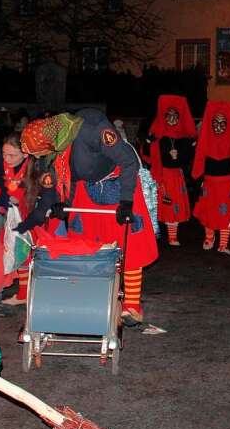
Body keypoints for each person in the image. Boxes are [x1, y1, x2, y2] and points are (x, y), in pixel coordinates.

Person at [16, 109, 159, 325]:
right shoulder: (58, 147)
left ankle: (131, 305)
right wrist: (63, 204)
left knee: (130, 245)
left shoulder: (92, 131)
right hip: (87, 189)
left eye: (37, 153)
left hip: (119, 183)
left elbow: (129, 160)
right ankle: (95, 301)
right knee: (87, 244)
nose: (37, 158)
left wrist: (127, 201)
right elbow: (68, 178)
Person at [0, 133, 38, 307]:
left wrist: (22, 200)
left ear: (25, 154)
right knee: (3, 251)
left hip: (27, 213)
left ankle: (25, 292)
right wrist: (2, 202)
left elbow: (41, 191)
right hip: (3, 211)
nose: (7, 159)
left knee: (24, 251)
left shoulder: (35, 164)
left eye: (12, 155)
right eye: (4, 153)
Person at [191, 100, 230, 255]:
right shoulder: (206, 140)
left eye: (223, 123)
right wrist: (198, 182)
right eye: (216, 123)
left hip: (227, 183)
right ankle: (209, 237)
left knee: (226, 214)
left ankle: (223, 243)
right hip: (209, 183)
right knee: (208, 212)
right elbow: (199, 161)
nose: (219, 127)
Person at [147, 95, 196, 247]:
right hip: (162, 174)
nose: (172, 119)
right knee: (159, 205)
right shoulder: (157, 137)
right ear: (164, 117)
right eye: (169, 115)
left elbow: (188, 157)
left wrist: (179, 154)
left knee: (174, 206)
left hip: (176, 175)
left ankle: (172, 237)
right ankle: (153, 235)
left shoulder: (184, 138)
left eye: (176, 116)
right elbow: (148, 155)